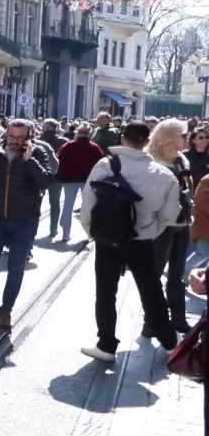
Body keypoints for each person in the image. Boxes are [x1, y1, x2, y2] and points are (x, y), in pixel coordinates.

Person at [80, 121, 182, 361]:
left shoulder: (105, 166)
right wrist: (150, 231)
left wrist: (94, 233)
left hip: (108, 239)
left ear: (122, 137)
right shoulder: (164, 175)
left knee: (106, 292)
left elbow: (88, 206)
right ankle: (169, 342)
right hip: (141, 239)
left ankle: (106, 345)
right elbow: (169, 216)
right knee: (151, 290)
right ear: (146, 142)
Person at [0, 120, 52, 330]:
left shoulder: (38, 154)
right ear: (6, 135)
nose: (14, 141)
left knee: (16, 268)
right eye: (11, 136)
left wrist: (29, 160)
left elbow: (45, 182)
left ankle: (6, 309)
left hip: (25, 221)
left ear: (28, 137)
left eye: (20, 137)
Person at [147, 119, 195, 334]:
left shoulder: (182, 159)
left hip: (182, 223)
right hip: (161, 224)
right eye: (183, 135)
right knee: (154, 275)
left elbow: (189, 190)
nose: (187, 139)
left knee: (177, 275)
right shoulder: (152, 161)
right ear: (169, 137)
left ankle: (178, 319)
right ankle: (151, 322)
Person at [55, 123, 104, 242]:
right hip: (87, 180)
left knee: (67, 205)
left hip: (69, 179)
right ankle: (90, 231)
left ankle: (65, 233)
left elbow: (58, 159)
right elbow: (101, 163)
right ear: (89, 134)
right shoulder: (94, 147)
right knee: (89, 205)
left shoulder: (68, 145)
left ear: (78, 133)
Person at [39, 120, 69, 238]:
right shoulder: (64, 141)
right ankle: (54, 228)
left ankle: (33, 228)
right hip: (57, 176)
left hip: (40, 175)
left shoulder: (38, 141)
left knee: (36, 202)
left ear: (46, 128)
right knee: (55, 202)